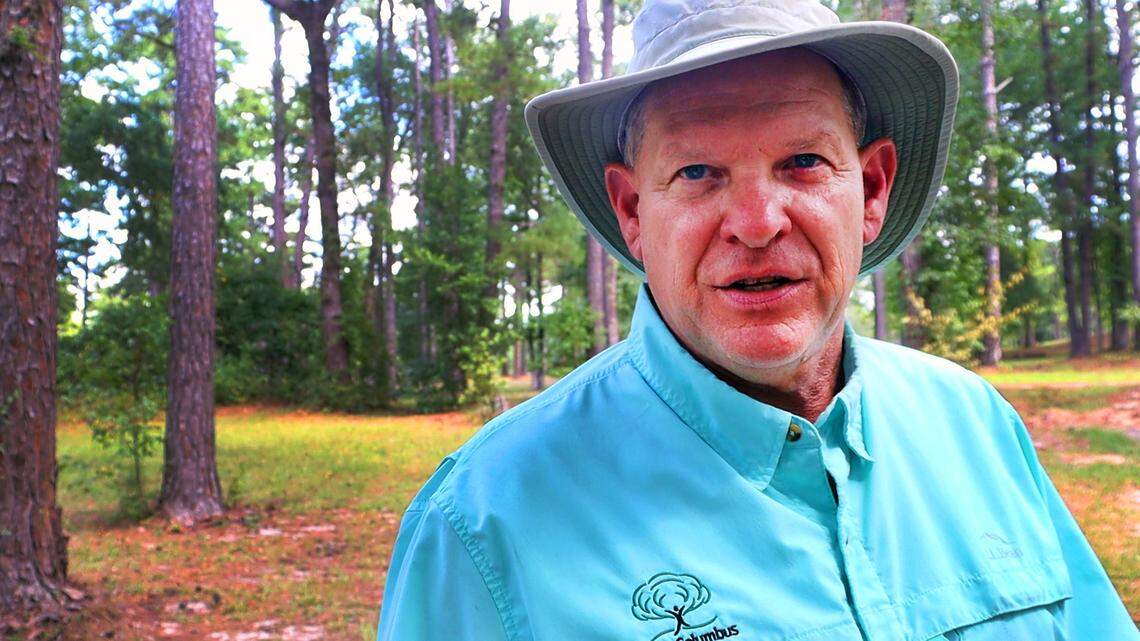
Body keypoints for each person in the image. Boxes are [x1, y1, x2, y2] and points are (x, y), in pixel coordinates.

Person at [376, 0, 1139, 638]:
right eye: (698, 171)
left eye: (802, 162)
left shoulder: (975, 426)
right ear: (633, 210)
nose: (755, 221)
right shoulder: (484, 523)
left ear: (870, 189)